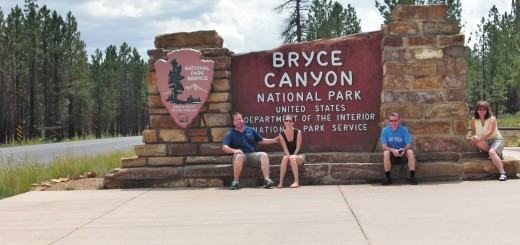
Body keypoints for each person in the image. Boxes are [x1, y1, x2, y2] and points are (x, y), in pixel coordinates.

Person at [222, 112, 279, 189]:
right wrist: (234, 151)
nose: (238, 121)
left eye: (240, 119)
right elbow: (224, 147)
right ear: (233, 122)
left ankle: (267, 180)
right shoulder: (230, 133)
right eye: (236, 120)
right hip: (240, 156)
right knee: (239, 156)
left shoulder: (250, 130)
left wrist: (274, 140)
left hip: (252, 155)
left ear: (243, 120)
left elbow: (261, 140)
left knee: (264, 155)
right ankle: (235, 181)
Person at [470, 101, 507, 181]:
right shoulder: (474, 119)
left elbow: (489, 133)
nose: (482, 111)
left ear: (487, 110)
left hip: (496, 139)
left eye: (484, 109)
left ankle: (503, 173)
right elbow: (473, 132)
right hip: (484, 140)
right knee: (475, 139)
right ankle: (497, 154)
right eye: (480, 109)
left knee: (492, 152)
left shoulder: (492, 119)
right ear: (477, 110)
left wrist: (479, 139)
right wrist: (474, 138)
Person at [380, 112, 417, 185]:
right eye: (391, 121)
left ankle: (412, 177)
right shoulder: (385, 130)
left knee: (410, 152)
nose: (393, 122)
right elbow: (383, 146)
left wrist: (403, 149)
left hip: (402, 153)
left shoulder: (404, 130)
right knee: (386, 152)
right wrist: (393, 150)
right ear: (389, 122)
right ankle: (388, 178)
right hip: (391, 155)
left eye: (395, 120)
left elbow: (409, 145)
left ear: (399, 121)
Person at [277, 114, 305, 188]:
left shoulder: (298, 132)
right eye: (286, 121)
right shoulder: (281, 134)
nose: (288, 122)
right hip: (288, 155)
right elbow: (285, 149)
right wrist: (289, 157)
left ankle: (296, 181)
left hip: (298, 155)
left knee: (292, 157)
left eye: (290, 121)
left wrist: (291, 157)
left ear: (293, 122)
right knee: (285, 158)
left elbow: (298, 148)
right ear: (284, 122)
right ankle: (280, 182)